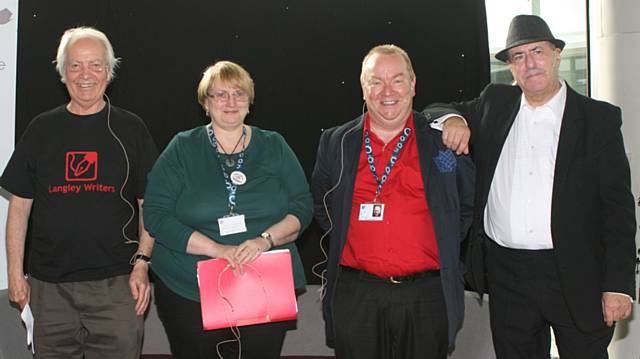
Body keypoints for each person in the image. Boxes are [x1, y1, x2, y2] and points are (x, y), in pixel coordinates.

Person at [426, 14, 637, 359]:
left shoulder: (597, 119)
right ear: (511, 67)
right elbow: (434, 109)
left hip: (575, 271)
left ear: (556, 54)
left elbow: (617, 210)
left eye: (537, 51)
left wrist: (617, 285)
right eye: (519, 57)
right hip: (507, 276)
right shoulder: (495, 103)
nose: (530, 63)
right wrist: (454, 119)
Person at [1, 27, 158, 358]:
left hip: (117, 285)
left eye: (95, 65)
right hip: (48, 288)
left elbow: (150, 205)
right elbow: (19, 208)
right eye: (75, 65)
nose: (85, 75)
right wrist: (15, 274)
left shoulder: (131, 128)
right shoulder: (41, 129)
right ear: (62, 72)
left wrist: (143, 263)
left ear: (109, 71)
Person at [311, 44, 474, 358]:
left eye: (397, 80)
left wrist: (439, 241)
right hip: (357, 294)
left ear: (413, 85)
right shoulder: (336, 142)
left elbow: (464, 204)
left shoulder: (442, 142)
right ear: (363, 88)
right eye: (376, 81)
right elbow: (322, 201)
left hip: (427, 296)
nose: (387, 91)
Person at [143, 60, 313, 359]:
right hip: (188, 284)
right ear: (205, 103)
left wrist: (265, 240)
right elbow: (156, 214)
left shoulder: (274, 145)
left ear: (250, 100)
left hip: (263, 280)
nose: (230, 102)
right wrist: (215, 249)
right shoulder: (183, 148)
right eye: (220, 95)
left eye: (238, 93)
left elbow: (302, 205)